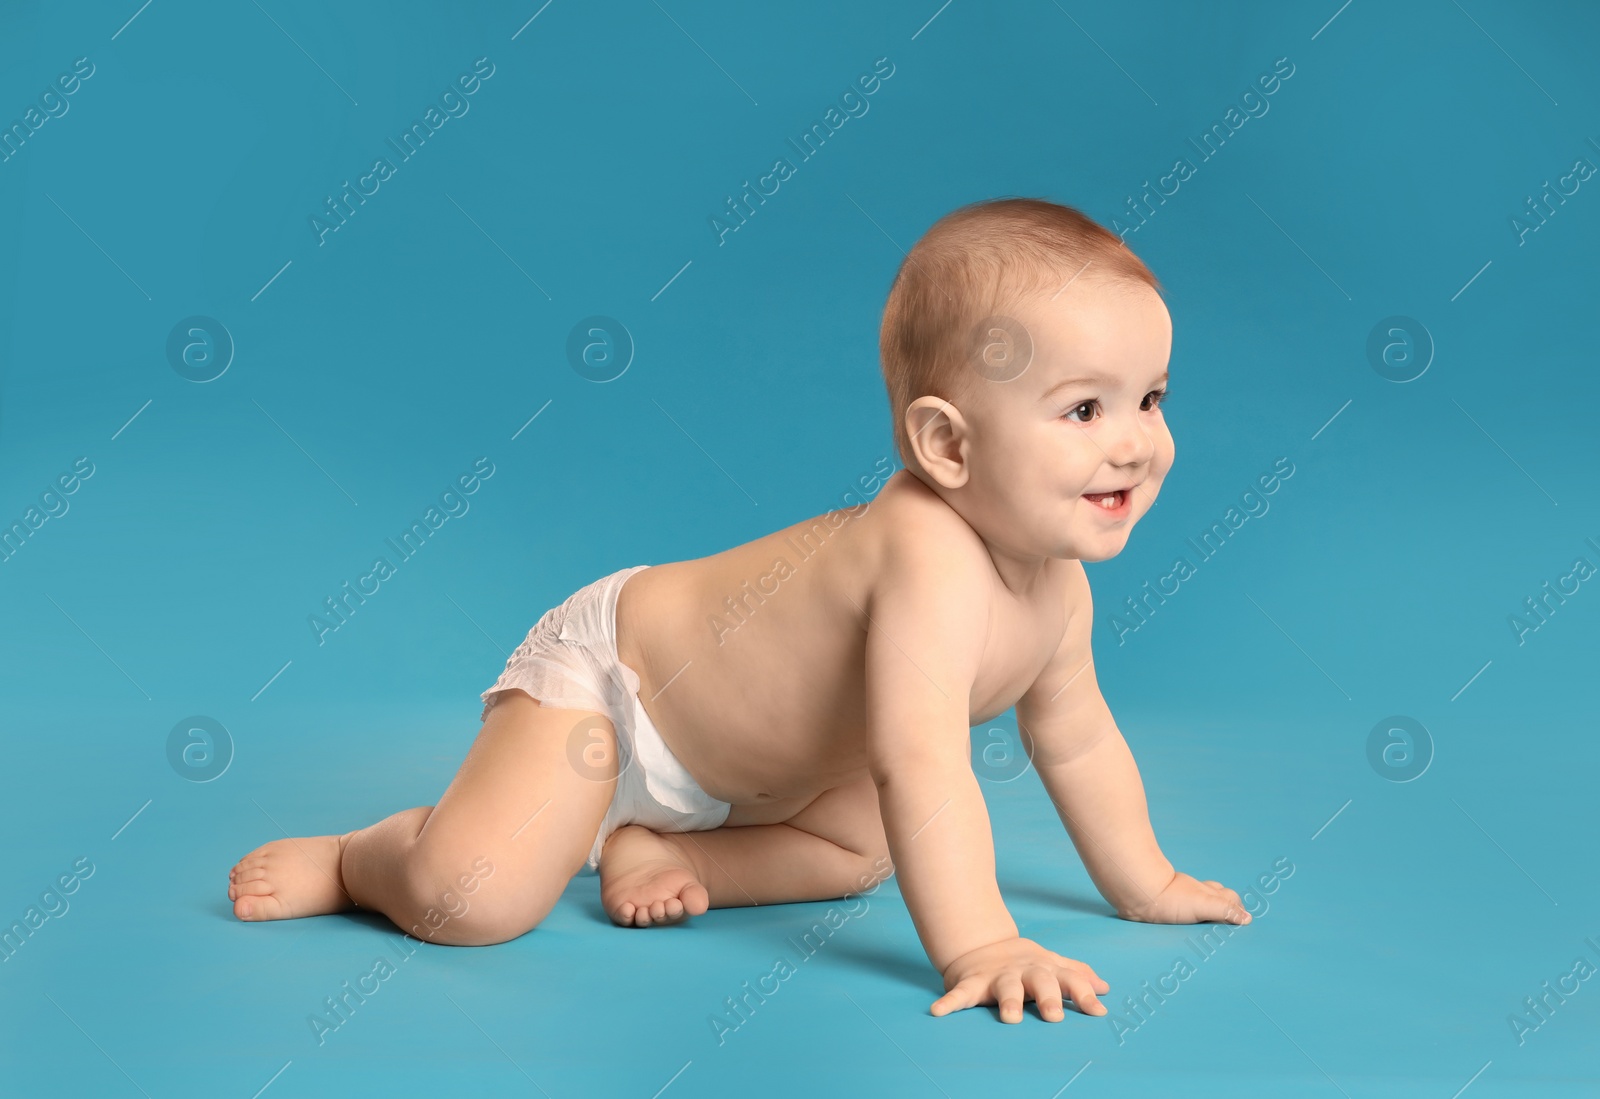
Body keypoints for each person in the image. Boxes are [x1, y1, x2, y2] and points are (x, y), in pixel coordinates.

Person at [227, 196, 1249, 1025]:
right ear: (947, 447)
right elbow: (921, 759)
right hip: (621, 690)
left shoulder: (1056, 586)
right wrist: (982, 938)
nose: (1135, 442)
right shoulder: (926, 551)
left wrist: (1145, 881)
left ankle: (668, 852)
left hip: (743, 781)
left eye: (1151, 399)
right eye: (1085, 409)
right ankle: (364, 859)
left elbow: (1077, 741)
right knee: (476, 900)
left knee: (861, 852)